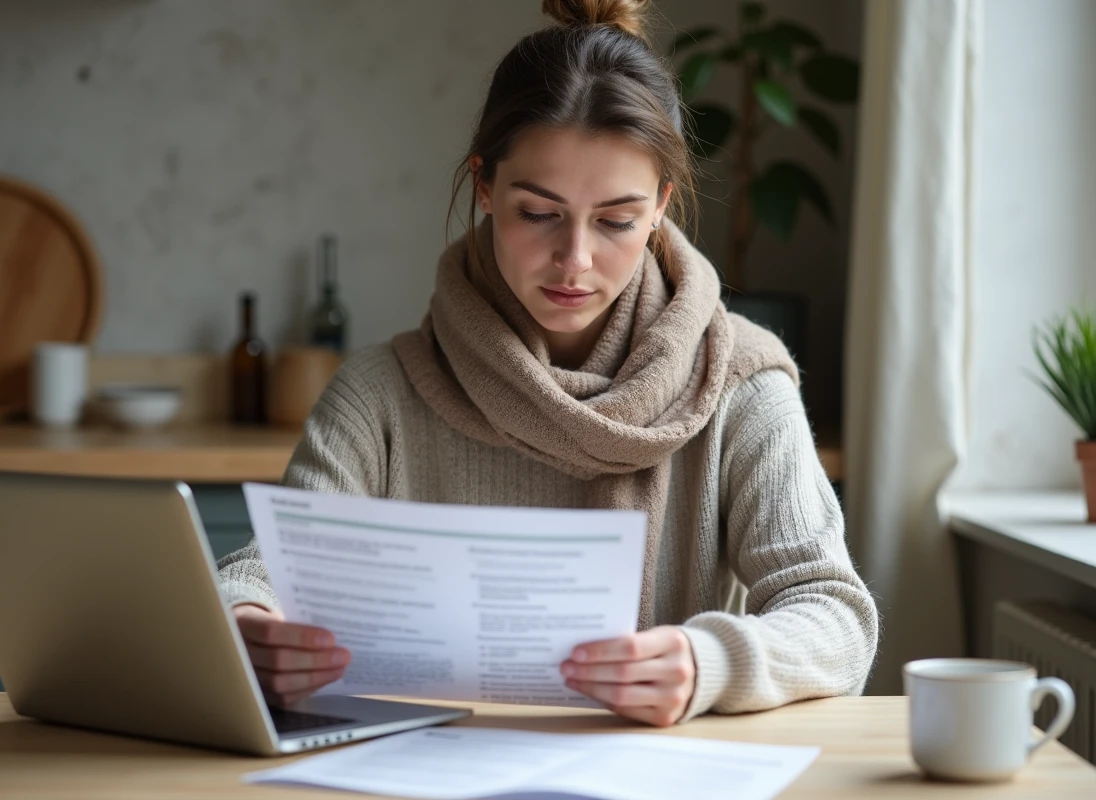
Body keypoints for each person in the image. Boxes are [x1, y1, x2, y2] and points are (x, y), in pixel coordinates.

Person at [218, 0, 878, 727]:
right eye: (538, 213)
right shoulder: (379, 396)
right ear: (484, 187)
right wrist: (248, 621)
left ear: (661, 204)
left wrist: (707, 663)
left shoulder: (741, 384)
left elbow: (836, 616)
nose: (575, 260)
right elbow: (260, 574)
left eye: (617, 221)